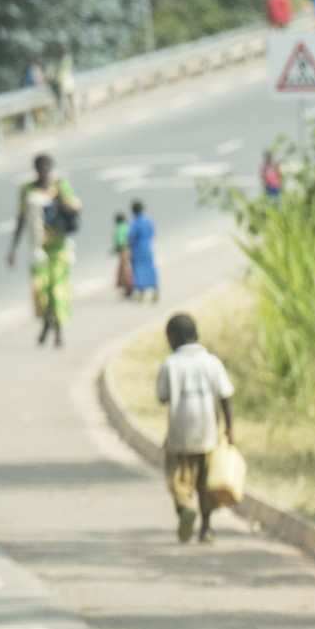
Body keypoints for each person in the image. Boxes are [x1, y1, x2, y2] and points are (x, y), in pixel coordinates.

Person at [155, 314, 236, 544]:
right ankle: (206, 528)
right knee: (204, 482)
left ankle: (183, 509)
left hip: (180, 433)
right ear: (196, 335)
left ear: (172, 339)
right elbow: (225, 396)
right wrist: (229, 428)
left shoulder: (170, 364)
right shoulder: (212, 362)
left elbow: (162, 396)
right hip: (208, 432)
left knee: (178, 477)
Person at [7, 154, 80, 346]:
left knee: (58, 293)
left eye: (47, 169)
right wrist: (13, 249)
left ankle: (58, 333)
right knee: (41, 292)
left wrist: (59, 199)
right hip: (39, 250)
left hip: (60, 249)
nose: (44, 173)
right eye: (40, 169)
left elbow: (75, 210)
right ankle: (47, 324)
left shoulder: (60, 186)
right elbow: (21, 218)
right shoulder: (27, 190)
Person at [128, 200, 159, 302]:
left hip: (138, 250)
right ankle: (155, 289)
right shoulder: (148, 221)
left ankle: (141, 292)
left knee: (138, 270)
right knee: (150, 268)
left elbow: (131, 236)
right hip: (148, 248)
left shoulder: (135, 223)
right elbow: (153, 233)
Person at [112, 211, 134, 297]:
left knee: (124, 270)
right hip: (128, 249)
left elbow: (120, 241)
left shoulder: (119, 228)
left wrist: (117, 248)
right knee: (126, 268)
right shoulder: (127, 226)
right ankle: (128, 287)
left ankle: (128, 287)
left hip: (123, 250)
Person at [53, 49, 77, 121]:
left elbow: (56, 75)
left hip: (64, 83)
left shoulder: (61, 63)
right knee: (69, 100)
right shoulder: (66, 61)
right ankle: (71, 115)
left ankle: (70, 115)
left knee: (66, 100)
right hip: (66, 82)